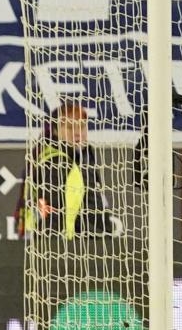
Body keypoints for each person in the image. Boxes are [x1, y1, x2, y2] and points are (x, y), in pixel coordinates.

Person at [14, 102, 114, 239]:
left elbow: (93, 203)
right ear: (55, 130)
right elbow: (53, 213)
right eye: (69, 127)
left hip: (90, 243)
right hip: (67, 247)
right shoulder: (54, 161)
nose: (78, 132)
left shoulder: (84, 156)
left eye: (82, 126)